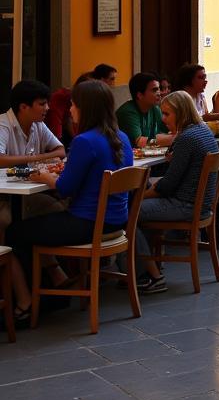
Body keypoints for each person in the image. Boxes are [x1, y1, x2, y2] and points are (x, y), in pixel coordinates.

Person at [6, 80, 133, 325]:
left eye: (74, 105)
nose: (70, 110)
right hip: (115, 221)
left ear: (86, 108)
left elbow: (65, 189)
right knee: (36, 220)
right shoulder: (122, 137)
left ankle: (25, 302)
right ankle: (54, 280)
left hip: (87, 223)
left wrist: (45, 177)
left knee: (14, 232)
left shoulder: (85, 141)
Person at [133, 90, 219, 294]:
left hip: (185, 205)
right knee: (143, 194)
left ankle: (149, 275)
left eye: (167, 114)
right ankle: (143, 269)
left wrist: (140, 197)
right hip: (201, 203)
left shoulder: (187, 137)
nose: (163, 120)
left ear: (181, 113)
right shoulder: (203, 130)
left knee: (128, 213)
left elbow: (168, 186)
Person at [0, 80, 68, 241]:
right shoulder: (3, 125)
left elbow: (61, 151)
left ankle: (46, 264)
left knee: (57, 209)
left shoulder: (38, 125)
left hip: (24, 193)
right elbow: (0, 160)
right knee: (6, 219)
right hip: (3, 196)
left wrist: (38, 160)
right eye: (42, 104)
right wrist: (38, 158)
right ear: (24, 107)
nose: (47, 108)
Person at [116, 73, 175, 149]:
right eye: (154, 90)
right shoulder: (128, 112)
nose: (159, 93)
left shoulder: (155, 108)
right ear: (139, 95)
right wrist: (174, 138)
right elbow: (139, 142)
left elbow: (170, 130)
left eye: (159, 89)